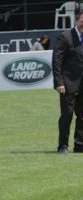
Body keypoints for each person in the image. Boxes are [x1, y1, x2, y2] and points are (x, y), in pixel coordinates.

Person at [53, 12, 83, 155]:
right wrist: (59, 82)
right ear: (77, 20)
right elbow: (57, 61)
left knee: (82, 116)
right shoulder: (65, 37)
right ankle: (63, 146)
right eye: (82, 20)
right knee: (67, 115)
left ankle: (79, 146)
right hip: (68, 84)